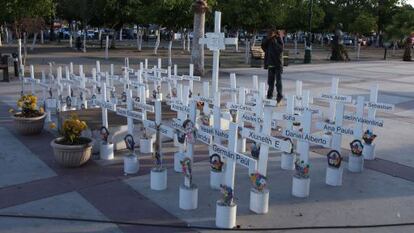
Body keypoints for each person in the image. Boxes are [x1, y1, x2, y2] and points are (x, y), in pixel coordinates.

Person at [261, 28, 284, 104]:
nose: (270, 34)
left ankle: (279, 96)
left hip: (277, 64)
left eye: (271, 33)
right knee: (270, 82)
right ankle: (269, 96)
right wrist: (268, 39)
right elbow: (263, 46)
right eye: (269, 33)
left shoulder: (278, 39)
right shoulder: (267, 40)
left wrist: (274, 41)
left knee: (278, 82)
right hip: (270, 63)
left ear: (274, 33)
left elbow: (280, 49)